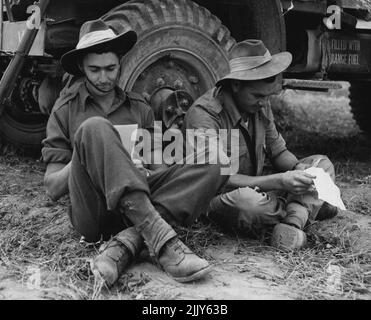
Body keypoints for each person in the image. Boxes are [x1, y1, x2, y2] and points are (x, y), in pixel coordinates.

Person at [42, 19, 227, 286]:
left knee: (215, 161)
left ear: (120, 63)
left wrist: (143, 169)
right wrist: (88, 153)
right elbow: (51, 188)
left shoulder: (140, 107)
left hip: (137, 202)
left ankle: (127, 242)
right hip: (94, 212)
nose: (103, 78)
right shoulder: (65, 110)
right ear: (82, 66)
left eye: (111, 68)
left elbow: (159, 167)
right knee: (94, 128)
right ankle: (162, 240)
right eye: (94, 70)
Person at [183, 39, 338, 250]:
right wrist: (282, 182)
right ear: (236, 85)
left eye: (267, 97)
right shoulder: (204, 116)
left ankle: (292, 222)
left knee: (322, 164)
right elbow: (219, 180)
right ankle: (305, 208)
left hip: (264, 190)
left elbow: (279, 152)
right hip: (221, 196)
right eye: (257, 96)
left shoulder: (259, 105)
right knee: (248, 203)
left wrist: (297, 169)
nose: (264, 103)